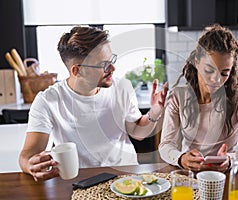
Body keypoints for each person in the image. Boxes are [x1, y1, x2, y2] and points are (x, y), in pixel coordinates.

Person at [19, 26, 168, 182]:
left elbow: (138, 133)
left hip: (125, 175)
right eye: (104, 65)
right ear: (77, 71)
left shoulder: (122, 87)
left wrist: (154, 112)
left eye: (112, 60)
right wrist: (30, 165)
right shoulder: (48, 101)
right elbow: (27, 155)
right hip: (80, 180)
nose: (113, 68)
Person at [158, 24, 238, 172]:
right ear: (196, 62)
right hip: (190, 176)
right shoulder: (178, 97)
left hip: (226, 176)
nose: (216, 80)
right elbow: (165, 145)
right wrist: (181, 158)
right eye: (209, 70)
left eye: (224, 73)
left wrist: (230, 159)